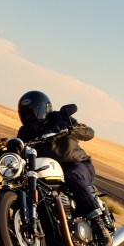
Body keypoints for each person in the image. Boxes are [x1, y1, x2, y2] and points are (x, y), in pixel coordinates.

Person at [16, 90, 102, 224]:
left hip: (77, 164)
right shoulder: (25, 132)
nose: (29, 117)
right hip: (47, 169)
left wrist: (72, 128)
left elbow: (89, 133)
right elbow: (18, 148)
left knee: (72, 176)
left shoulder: (60, 117)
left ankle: (97, 222)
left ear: (44, 109)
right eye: (25, 114)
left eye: (32, 112)